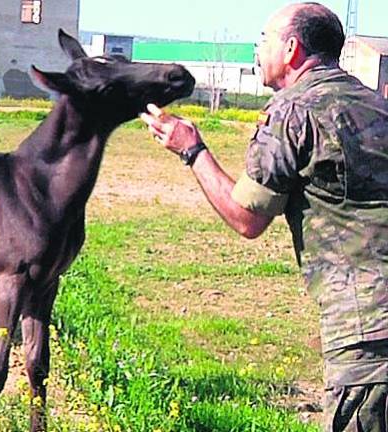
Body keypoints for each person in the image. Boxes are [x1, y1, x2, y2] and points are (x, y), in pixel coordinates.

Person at [141, 3, 388, 431]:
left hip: (366, 331)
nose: (258, 50)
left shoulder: (294, 111)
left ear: (291, 48)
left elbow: (247, 218)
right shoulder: (375, 105)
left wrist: (191, 149)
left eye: (263, 40)